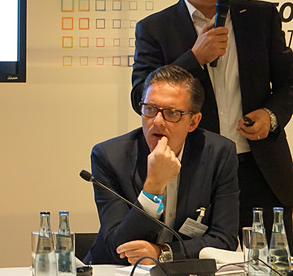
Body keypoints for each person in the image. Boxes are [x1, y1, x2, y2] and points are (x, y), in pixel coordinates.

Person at [131, 0, 293, 242]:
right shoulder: (155, 29)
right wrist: (194, 58)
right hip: (196, 169)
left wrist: (271, 115)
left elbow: (289, 84)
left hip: (260, 169)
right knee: (199, 256)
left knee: (269, 261)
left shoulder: (260, 17)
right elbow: (141, 96)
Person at [86, 65, 239, 264]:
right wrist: (153, 188)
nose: (157, 121)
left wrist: (163, 253)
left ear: (193, 122)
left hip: (182, 271)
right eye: (150, 109)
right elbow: (119, 248)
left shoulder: (219, 154)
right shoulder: (109, 157)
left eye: (172, 113)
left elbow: (225, 239)